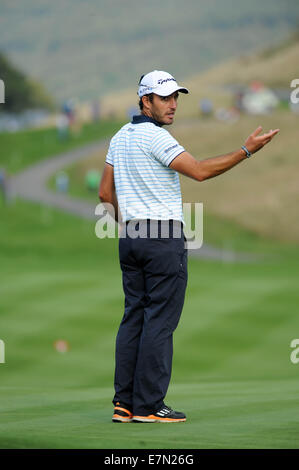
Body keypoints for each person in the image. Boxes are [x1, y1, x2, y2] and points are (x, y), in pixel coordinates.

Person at [99, 70, 279, 423]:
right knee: (159, 322)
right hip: (163, 239)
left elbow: (105, 194)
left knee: (134, 317)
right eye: (164, 98)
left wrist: (131, 224)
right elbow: (198, 171)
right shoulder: (156, 138)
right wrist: (246, 150)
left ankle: (125, 403)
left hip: (130, 237)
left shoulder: (119, 138)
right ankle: (149, 406)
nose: (173, 105)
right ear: (144, 101)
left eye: (176, 97)